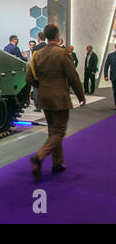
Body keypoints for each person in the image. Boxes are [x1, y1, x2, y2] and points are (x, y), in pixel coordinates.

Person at [26, 24, 85, 182]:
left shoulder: (37, 54)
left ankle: (57, 164)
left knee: (53, 131)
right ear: (57, 36)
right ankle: (39, 157)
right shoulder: (62, 53)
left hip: (44, 98)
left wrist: (43, 87)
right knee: (59, 132)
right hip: (59, 99)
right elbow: (73, 77)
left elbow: (29, 78)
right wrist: (81, 96)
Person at [104, 44, 116, 110]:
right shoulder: (110, 55)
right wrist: (105, 75)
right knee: (115, 91)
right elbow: (106, 66)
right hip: (114, 77)